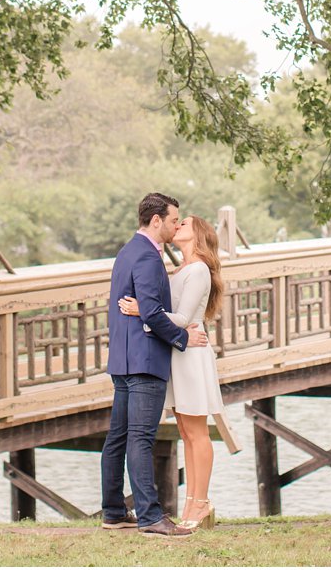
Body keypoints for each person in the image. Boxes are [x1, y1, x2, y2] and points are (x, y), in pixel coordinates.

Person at [100, 192, 209, 537]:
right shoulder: (148, 257)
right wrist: (182, 339)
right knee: (141, 438)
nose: (177, 225)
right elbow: (150, 311)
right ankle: (150, 516)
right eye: (174, 219)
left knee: (118, 437)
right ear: (157, 220)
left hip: (122, 357)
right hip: (145, 360)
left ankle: (114, 511)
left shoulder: (126, 251)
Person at [119, 213, 225, 529]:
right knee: (185, 431)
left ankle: (200, 502)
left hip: (190, 354)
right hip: (177, 354)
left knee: (196, 431)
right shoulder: (179, 268)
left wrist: (143, 310)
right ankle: (192, 502)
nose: (177, 226)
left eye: (185, 224)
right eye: (176, 222)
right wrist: (152, 314)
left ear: (199, 235)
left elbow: (181, 318)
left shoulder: (199, 270)